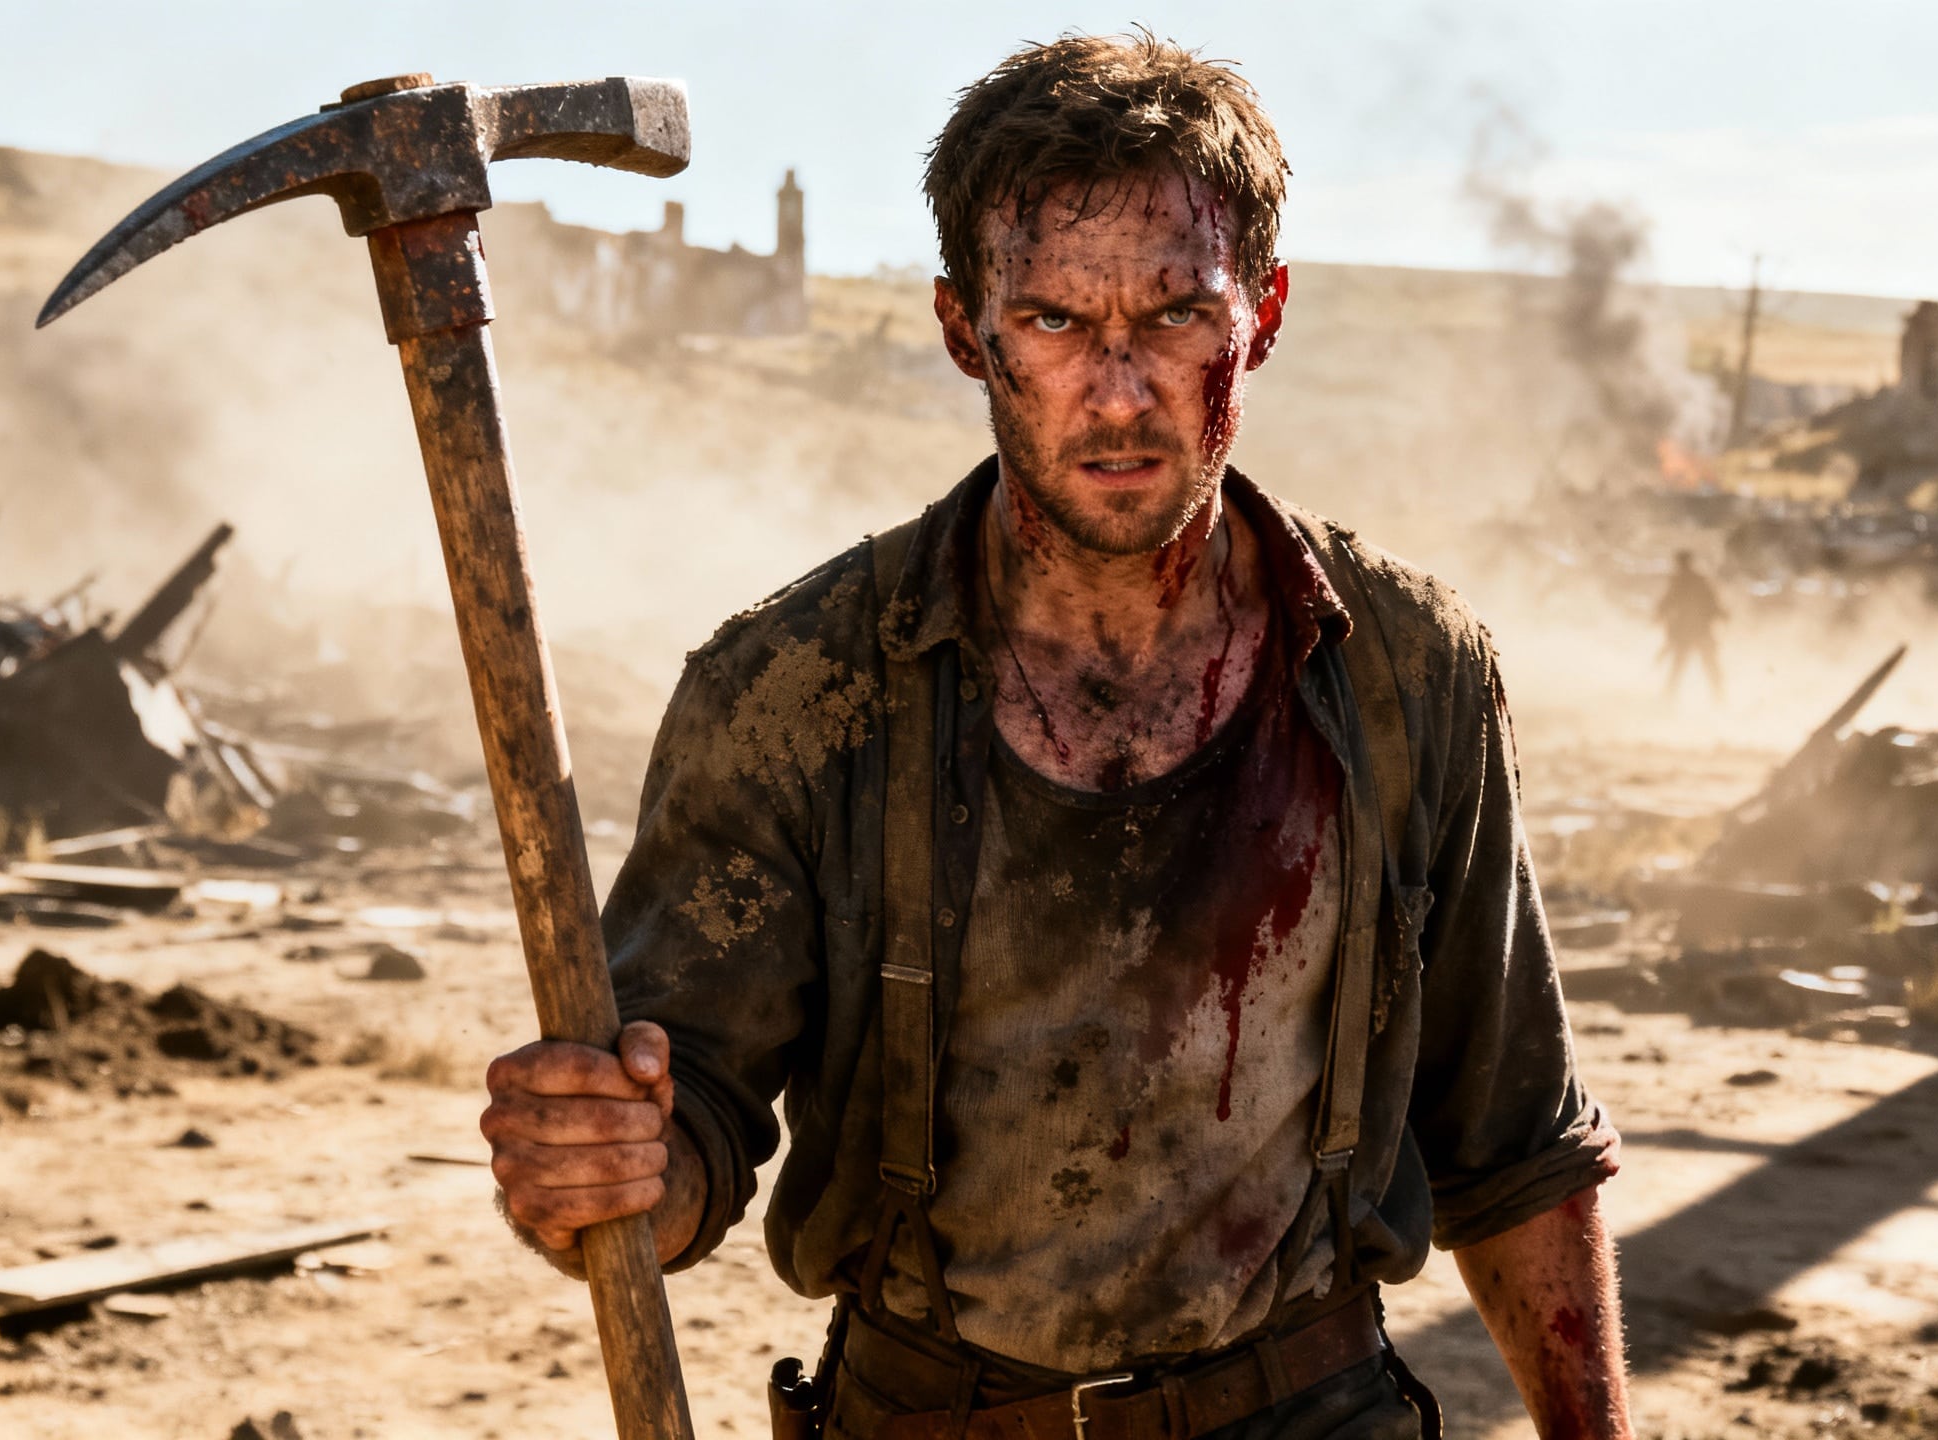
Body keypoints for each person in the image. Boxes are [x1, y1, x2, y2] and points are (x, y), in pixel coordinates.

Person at [483, 33, 1629, 1440]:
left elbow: (1512, 1148)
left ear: (1261, 315)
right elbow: (687, 1116)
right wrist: (607, 1165)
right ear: (967, 331)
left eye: (1173, 316)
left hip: (1307, 1413)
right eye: (1055, 325)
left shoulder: (1406, 672)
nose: (1122, 389)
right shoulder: (793, 691)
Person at [1655, 551, 1724, 700]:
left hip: (1689, 631)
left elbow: (1667, 602)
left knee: (1683, 665)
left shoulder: (1681, 581)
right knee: (1703, 665)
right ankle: (1718, 696)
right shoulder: (1695, 580)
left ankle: (1670, 697)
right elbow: (1712, 602)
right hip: (1695, 631)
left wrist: (1659, 614)